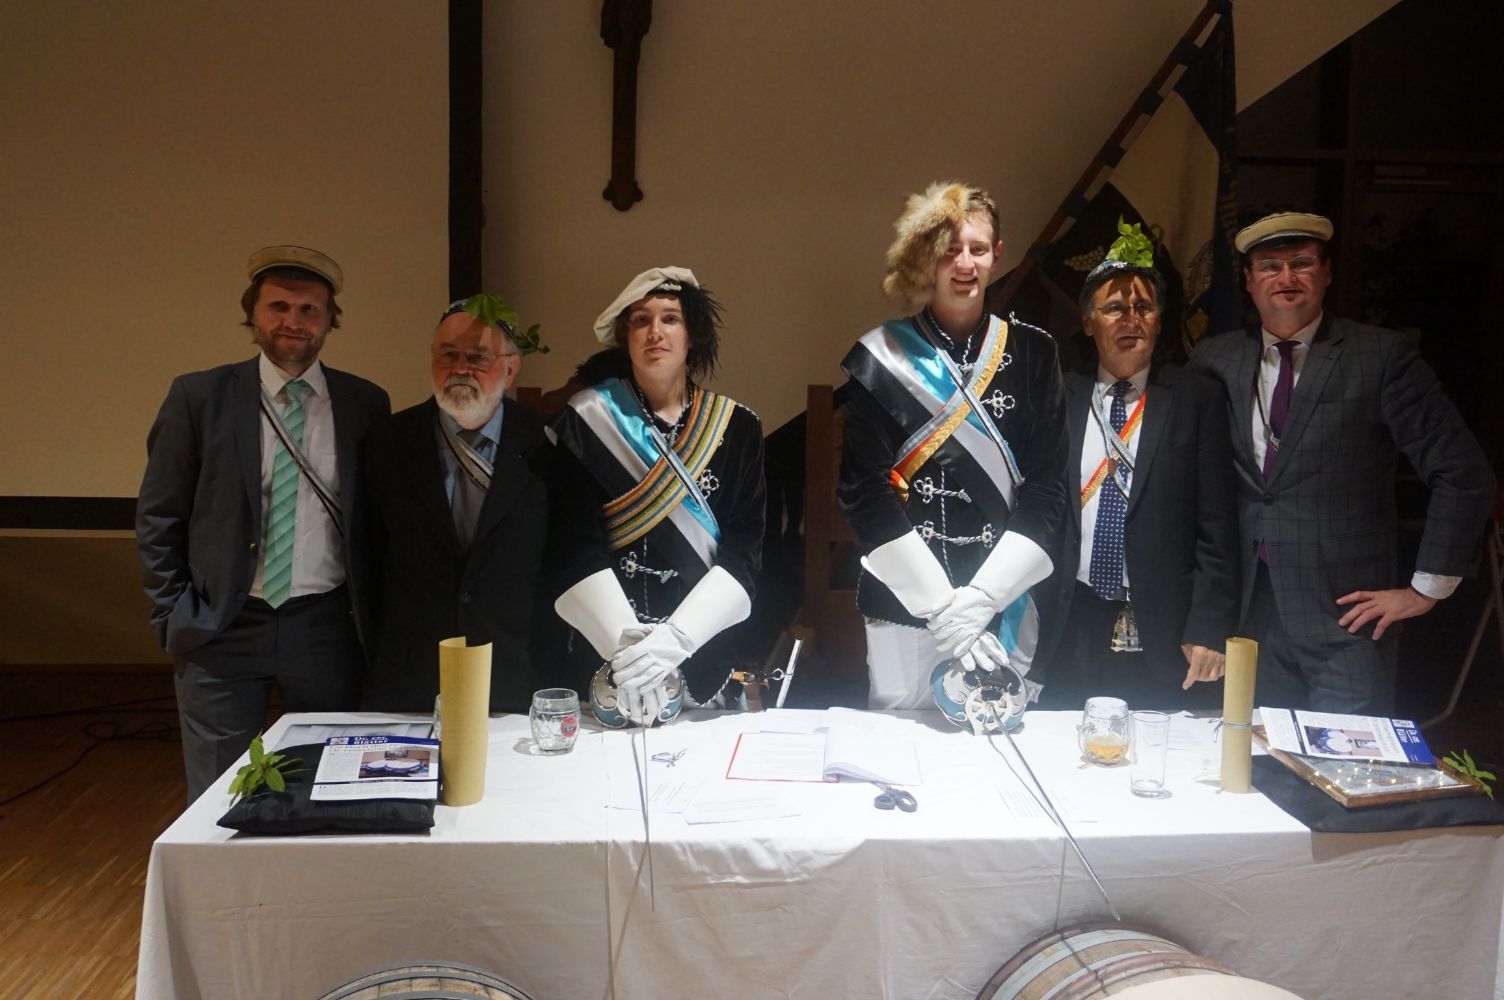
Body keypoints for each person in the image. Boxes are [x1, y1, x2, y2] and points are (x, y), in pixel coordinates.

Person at [1189, 211, 1496, 714]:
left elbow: (1462, 472)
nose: (1286, 277)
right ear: (1248, 280)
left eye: (1301, 263)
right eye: (1269, 266)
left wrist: (1425, 589)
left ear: (1327, 272)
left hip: (1347, 625)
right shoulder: (1214, 360)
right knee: (1260, 758)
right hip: (1248, 621)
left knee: (1348, 758)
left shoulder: (1379, 357)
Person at [136, 245, 390, 800]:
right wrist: (173, 610)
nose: (293, 321)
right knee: (219, 796)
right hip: (222, 624)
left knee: (324, 785)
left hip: (324, 627)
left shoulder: (365, 404)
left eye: (309, 310)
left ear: (329, 321)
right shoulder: (199, 397)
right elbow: (159, 514)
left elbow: (376, 522)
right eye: (278, 306)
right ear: (253, 313)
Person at [838, 181, 1069, 710]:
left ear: (997, 256)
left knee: (996, 744)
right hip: (904, 605)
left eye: (977, 249)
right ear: (928, 258)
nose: (964, 264)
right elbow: (862, 493)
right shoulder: (882, 356)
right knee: (902, 745)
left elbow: (1048, 488)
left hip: (1002, 602)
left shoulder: (1035, 354)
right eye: (949, 250)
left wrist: (984, 599)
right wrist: (943, 609)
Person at [548, 267, 765, 725]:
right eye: (641, 321)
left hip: (703, 660)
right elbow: (572, 546)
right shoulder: (586, 423)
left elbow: (745, 551)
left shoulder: (738, 427)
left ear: (692, 335)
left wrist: (677, 640)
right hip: (607, 665)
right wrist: (628, 655)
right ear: (625, 338)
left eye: (670, 319)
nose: (655, 332)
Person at [1036, 222, 1239, 710]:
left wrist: (1209, 626)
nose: (1131, 320)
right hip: (1069, 621)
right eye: (1114, 308)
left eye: (1144, 308)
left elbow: (1218, 526)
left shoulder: (1197, 400)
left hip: (1164, 629)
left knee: (1154, 745)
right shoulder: (1059, 397)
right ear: (1088, 322)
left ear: (1160, 320)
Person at [361, 295, 550, 713]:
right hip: (414, 670)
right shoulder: (387, 442)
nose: (461, 369)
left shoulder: (547, 442)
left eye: (478, 357)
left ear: (510, 369)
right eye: (448, 355)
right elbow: (368, 558)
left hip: (517, 668)